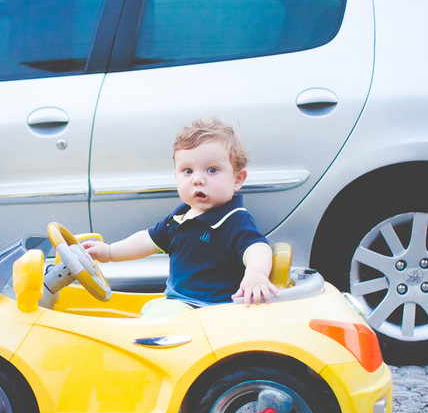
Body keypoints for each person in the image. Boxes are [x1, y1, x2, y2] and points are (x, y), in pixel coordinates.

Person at [82, 118, 283, 307]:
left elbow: (257, 247)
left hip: (208, 309)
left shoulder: (234, 220)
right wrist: (109, 252)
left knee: (152, 319)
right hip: (178, 302)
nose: (197, 179)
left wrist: (256, 274)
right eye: (188, 171)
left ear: (237, 179)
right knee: (150, 308)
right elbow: (146, 241)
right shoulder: (180, 217)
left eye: (212, 170)